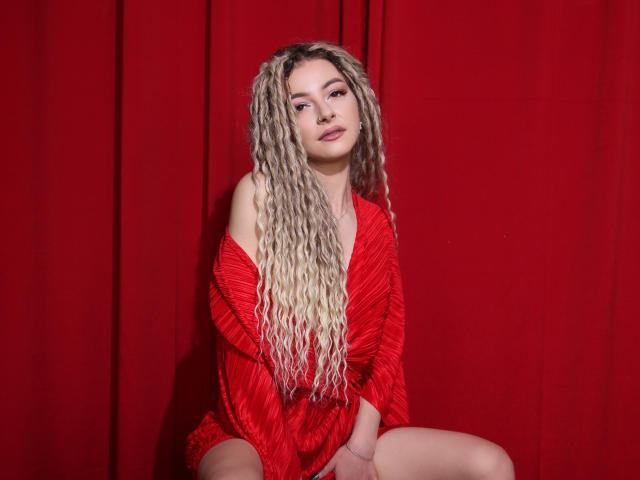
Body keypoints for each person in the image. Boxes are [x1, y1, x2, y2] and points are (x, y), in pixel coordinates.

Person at [186, 42, 515, 480]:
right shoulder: (260, 197)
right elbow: (241, 350)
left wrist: (359, 450)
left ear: (359, 105)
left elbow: (386, 353)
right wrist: (285, 470)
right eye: (301, 105)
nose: (326, 113)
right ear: (283, 127)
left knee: (492, 465)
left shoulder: (376, 226)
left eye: (335, 93)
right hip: (253, 429)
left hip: (343, 431)